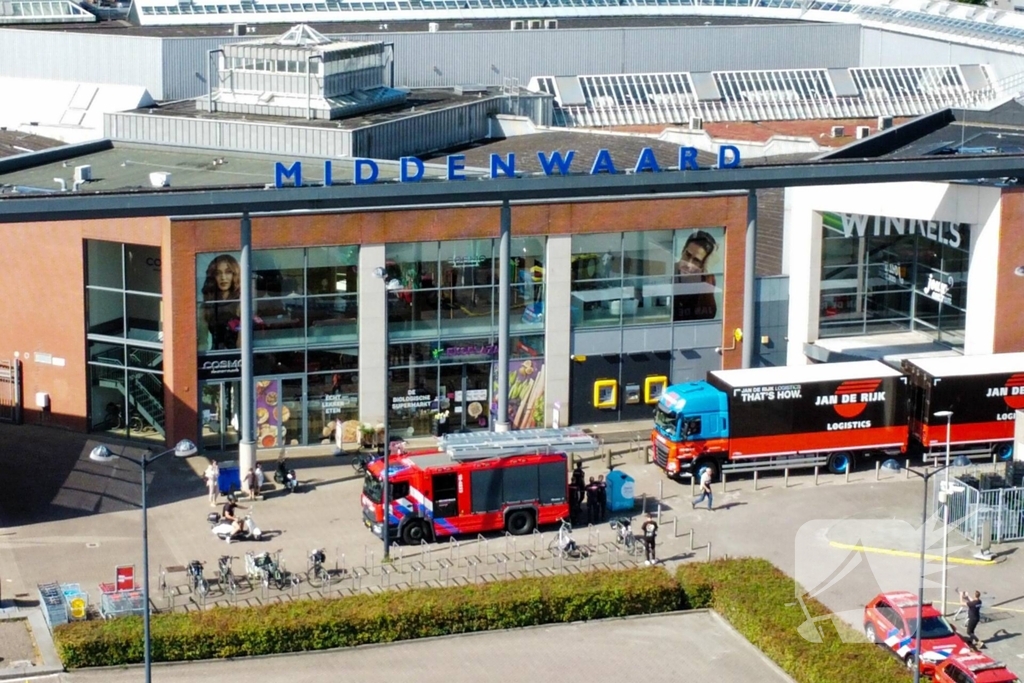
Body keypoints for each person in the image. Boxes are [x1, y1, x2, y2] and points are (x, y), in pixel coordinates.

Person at [673, 230, 718, 322]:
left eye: (696, 260)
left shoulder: (708, 278)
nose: (688, 264)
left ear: (703, 264)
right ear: (683, 251)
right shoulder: (670, 272)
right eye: (687, 255)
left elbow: (710, 313)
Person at [200, 254, 242, 350]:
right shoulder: (206, 306)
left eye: (228, 272)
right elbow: (202, 342)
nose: (223, 277)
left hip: (238, 357)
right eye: (218, 273)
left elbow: (242, 342)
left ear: (234, 274)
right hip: (215, 358)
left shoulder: (241, 303)